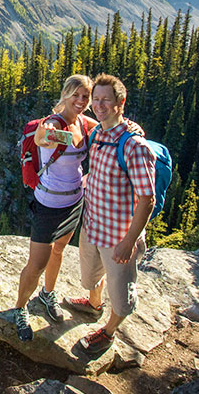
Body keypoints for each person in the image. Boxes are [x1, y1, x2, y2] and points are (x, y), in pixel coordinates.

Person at [62, 73, 156, 355]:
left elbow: (147, 199)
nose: (99, 105)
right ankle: (93, 303)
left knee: (121, 294)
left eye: (106, 100)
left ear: (120, 102)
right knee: (90, 275)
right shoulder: (99, 134)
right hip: (93, 226)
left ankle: (109, 331)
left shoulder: (134, 146)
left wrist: (129, 241)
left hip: (118, 237)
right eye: (96, 99)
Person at [6, 74, 98, 341]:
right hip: (48, 204)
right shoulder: (51, 125)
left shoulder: (84, 122)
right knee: (36, 264)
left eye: (85, 96)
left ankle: (47, 294)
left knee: (59, 250)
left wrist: (129, 128)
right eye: (75, 95)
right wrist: (73, 137)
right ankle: (20, 308)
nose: (80, 101)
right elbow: (42, 139)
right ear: (66, 94)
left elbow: (109, 126)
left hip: (74, 202)